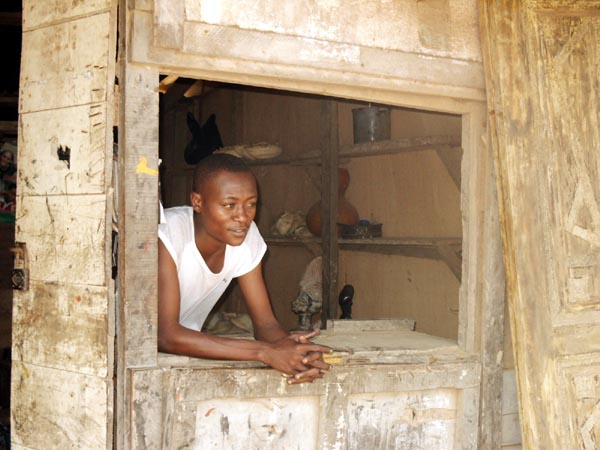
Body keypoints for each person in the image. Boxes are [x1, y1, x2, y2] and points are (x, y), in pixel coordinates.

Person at [158, 154, 331, 384]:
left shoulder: (247, 239)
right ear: (197, 202)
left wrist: (296, 354)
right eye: (229, 205)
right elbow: (165, 335)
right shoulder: (167, 235)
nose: (243, 217)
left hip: (183, 353)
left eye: (251, 204)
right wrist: (264, 352)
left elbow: (266, 325)